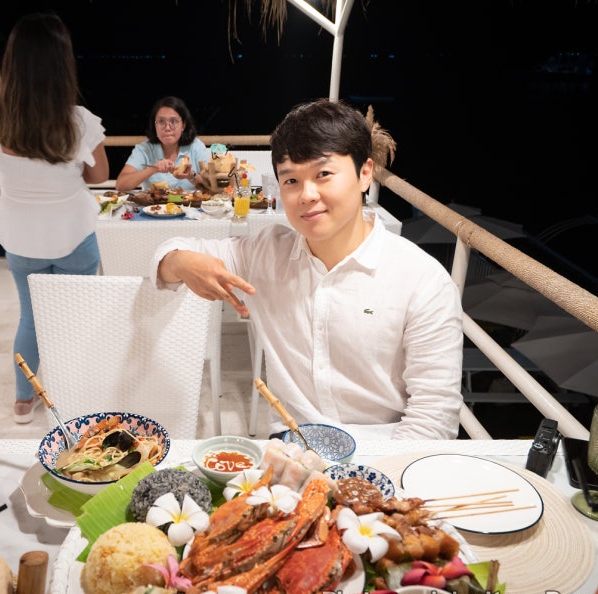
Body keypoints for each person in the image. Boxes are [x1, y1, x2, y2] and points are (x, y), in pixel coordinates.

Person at [151, 99, 464, 439]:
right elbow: (166, 254)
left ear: (364, 173)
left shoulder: (421, 280)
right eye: (291, 181)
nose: (306, 195)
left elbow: (434, 420)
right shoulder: (267, 253)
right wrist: (180, 261)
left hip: (384, 454)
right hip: (292, 448)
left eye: (323, 174)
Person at [0, 13, 109, 424]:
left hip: (20, 236)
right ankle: (75, 395)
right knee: (77, 318)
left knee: (30, 317)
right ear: (63, 63)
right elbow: (98, 176)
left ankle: (24, 399)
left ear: (12, 61)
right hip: (74, 233)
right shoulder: (77, 120)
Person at [115, 96, 210, 192]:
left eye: (173, 121)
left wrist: (191, 175)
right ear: (154, 125)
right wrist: (153, 169)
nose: (167, 128)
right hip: (152, 206)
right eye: (161, 121)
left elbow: (211, 187)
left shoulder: (196, 146)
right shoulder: (144, 149)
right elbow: (121, 185)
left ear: (183, 125)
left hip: (190, 207)